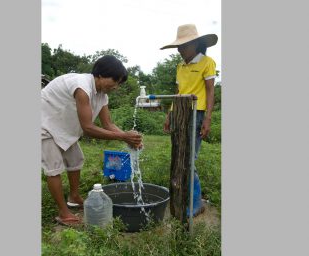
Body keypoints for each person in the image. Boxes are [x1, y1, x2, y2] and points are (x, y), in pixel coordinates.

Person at [41, 55, 143, 226]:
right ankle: (64, 213)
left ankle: (73, 197)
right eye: (115, 81)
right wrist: (123, 136)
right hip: (44, 122)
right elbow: (88, 128)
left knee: (76, 160)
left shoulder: (102, 95)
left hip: (62, 125)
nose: (116, 87)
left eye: (119, 83)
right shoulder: (82, 87)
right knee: (54, 168)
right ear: (101, 75)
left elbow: (108, 124)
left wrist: (129, 139)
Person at [160, 24, 218, 216]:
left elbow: (210, 91)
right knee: (179, 155)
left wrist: (207, 118)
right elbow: (178, 93)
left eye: (183, 45)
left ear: (195, 44)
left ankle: (196, 203)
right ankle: (181, 197)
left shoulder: (207, 62)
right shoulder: (180, 66)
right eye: (178, 46)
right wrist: (169, 115)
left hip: (197, 113)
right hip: (179, 113)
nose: (179, 49)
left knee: (189, 159)